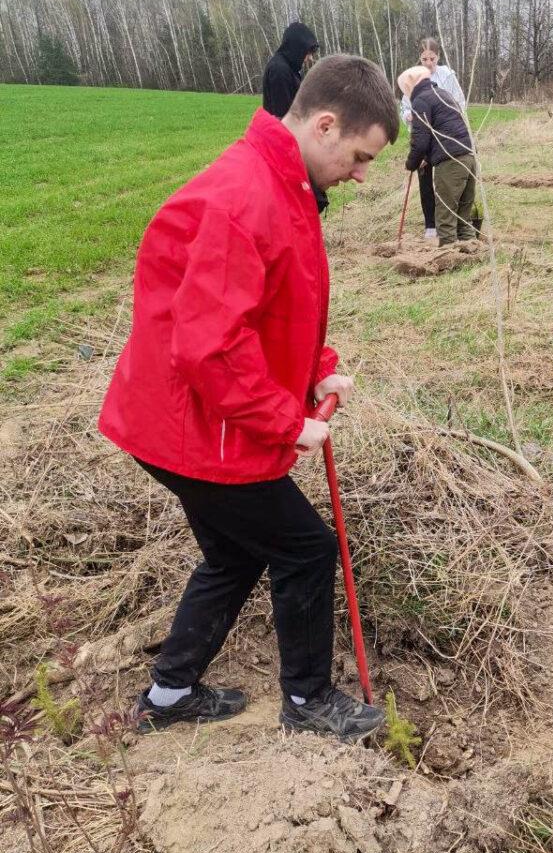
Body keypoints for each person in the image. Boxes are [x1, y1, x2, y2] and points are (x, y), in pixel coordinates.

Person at [98, 56, 400, 740]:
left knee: (236, 552)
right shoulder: (247, 197)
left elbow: (276, 301)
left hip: (180, 416)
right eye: (359, 156)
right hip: (195, 427)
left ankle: (170, 695)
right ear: (325, 124)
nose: (360, 175)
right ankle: (308, 702)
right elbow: (209, 346)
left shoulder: (281, 182)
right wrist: (286, 420)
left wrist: (316, 371)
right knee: (306, 549)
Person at [398, 65, 476, 247]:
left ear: (410, 86)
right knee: (463, 215)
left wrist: (412, 163)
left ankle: (449, 256)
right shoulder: (442, 94)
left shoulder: (421, 101)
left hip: (451, 160)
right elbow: (440, 129)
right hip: (469, 156)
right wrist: (426, 156)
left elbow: (421, 139)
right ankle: (471, 252)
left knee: (446, 213)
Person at [262, 21, 319, 120]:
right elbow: (282, 116)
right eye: (308, 52)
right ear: (297, 48)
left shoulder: (290, 68)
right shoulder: (279, 70)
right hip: (280, 133)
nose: (310, 58)